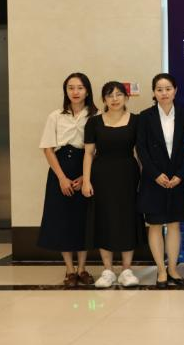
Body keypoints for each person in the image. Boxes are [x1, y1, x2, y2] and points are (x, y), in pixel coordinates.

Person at [38, 72, 98, 287]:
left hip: (86, 169)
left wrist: (85, 177)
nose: (75, 92)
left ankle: (82, 269)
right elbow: (48, 149)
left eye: (80, 88)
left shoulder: (96, 116)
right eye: (71, 88)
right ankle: (70, 270)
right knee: (62, 219)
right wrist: (62, 178)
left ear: (87, 91)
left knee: (83, 220)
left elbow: (97, 151)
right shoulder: (55, 116)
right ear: (65, 91)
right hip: (60, 169)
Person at [82, 81, 142, 288]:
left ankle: (126, 270)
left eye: (119, 94)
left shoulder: (136, 121)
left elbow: (140, 153)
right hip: (101, 176)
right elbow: (88, 153)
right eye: (110, 95)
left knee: (127, 219)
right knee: (104, 219)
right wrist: (86, 180)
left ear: (126, 97)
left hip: (128, 175)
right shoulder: (94, 122)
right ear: (104, 99)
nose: (115, 99)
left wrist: (144, 178)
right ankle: (107, 270)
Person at [136, 73, 184, 288]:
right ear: (154, 92)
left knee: (174, 224)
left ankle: (173, 269)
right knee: (155, 225)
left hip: (177, 178)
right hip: (154, 179)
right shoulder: (145, 117)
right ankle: (160, 270)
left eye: (168, 89)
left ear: (175, 90)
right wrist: (155, 174)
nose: (164, 93)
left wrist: (180, 175)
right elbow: (141, 149)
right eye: (159, 89)